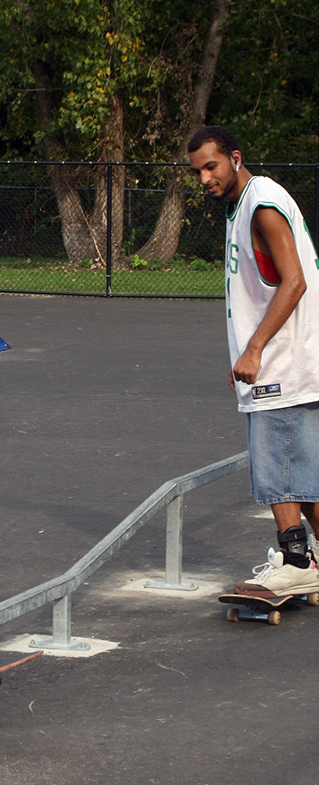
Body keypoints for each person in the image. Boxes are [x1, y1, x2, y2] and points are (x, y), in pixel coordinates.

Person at [187, 126, 319, 598]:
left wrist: (254, 348)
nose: (204, 177)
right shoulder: (242, 205)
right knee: (300, 473)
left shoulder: (261, 201)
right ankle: (310, 558)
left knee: (276, 466)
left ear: (235, 158)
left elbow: (295, 281)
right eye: (197, 170)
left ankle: (296, 560)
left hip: (284, 358)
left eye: (211, 166)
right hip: (282, 355)